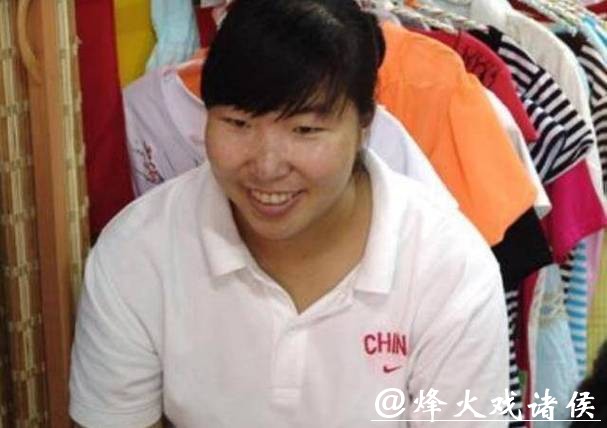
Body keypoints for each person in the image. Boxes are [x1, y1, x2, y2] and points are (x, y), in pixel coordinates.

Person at [69, 0, 510, 426]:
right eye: (238, 124)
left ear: (364, 124)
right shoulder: (137, 252)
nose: (267, 166)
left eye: (305, 130)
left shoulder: (450, 270)